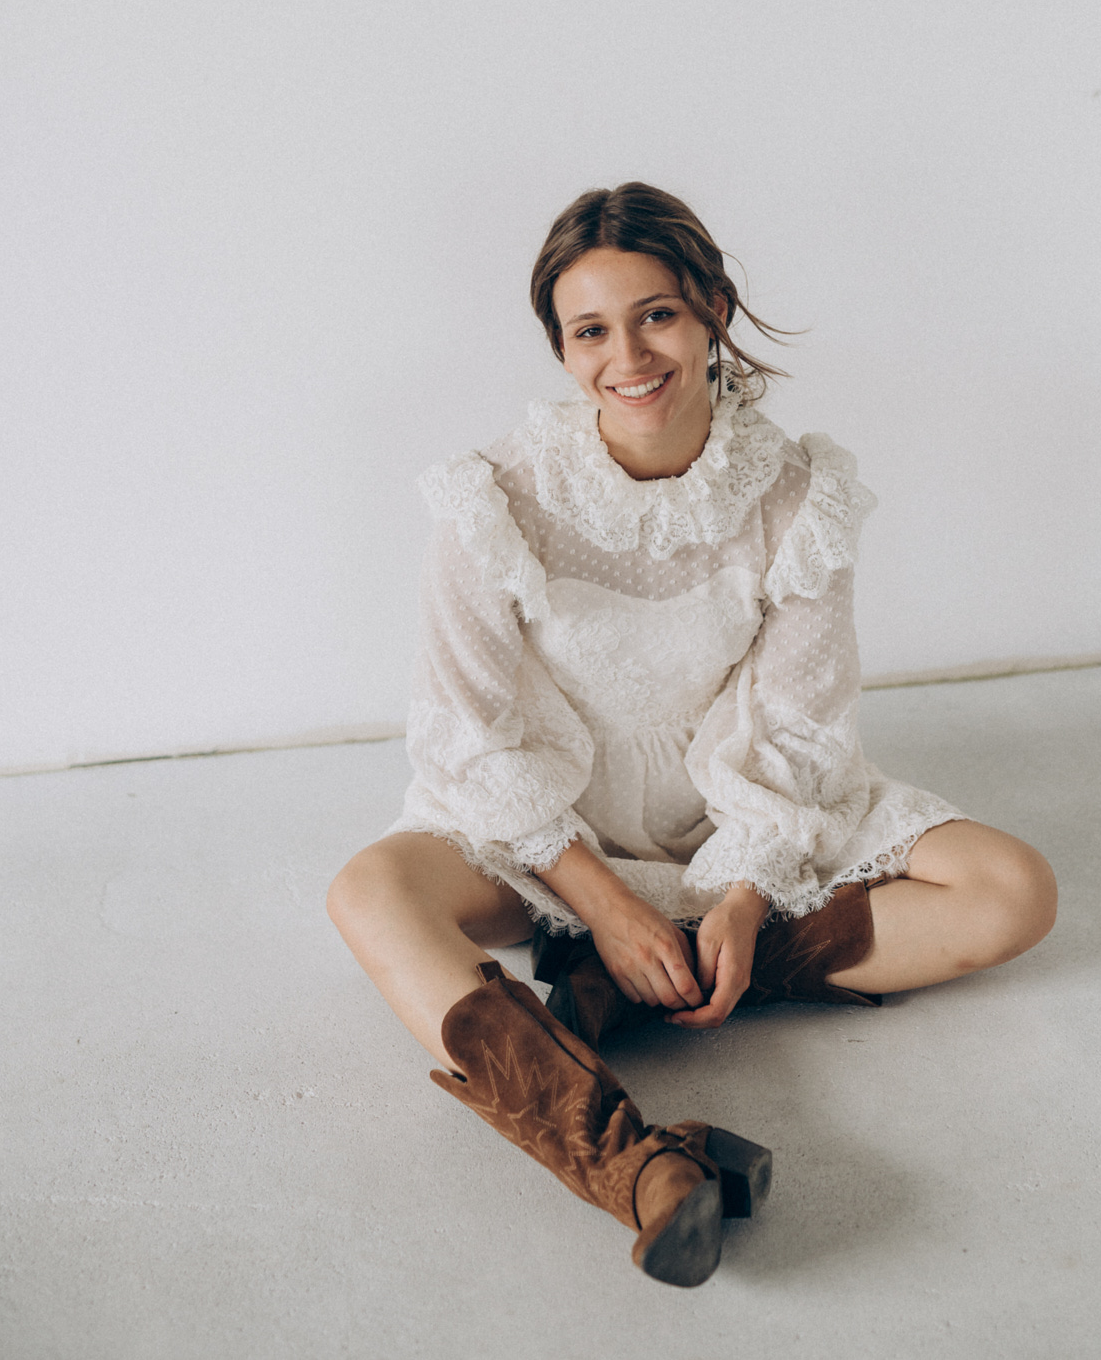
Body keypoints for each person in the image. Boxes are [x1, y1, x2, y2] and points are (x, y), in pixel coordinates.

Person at [327, 182, 1057, 1288]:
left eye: (656, 314)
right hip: (551, 832)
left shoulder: (797, 493)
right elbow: (469, 736)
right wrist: (603, 902)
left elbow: (798, 721)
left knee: (1013, 890)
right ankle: (637, 1167)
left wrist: (744, 893)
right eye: (589, 331)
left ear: (711, 307)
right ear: (561, 349)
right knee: (367, 892)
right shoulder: (493, 498)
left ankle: (637, 979)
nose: (627, 356)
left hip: (734, 810)